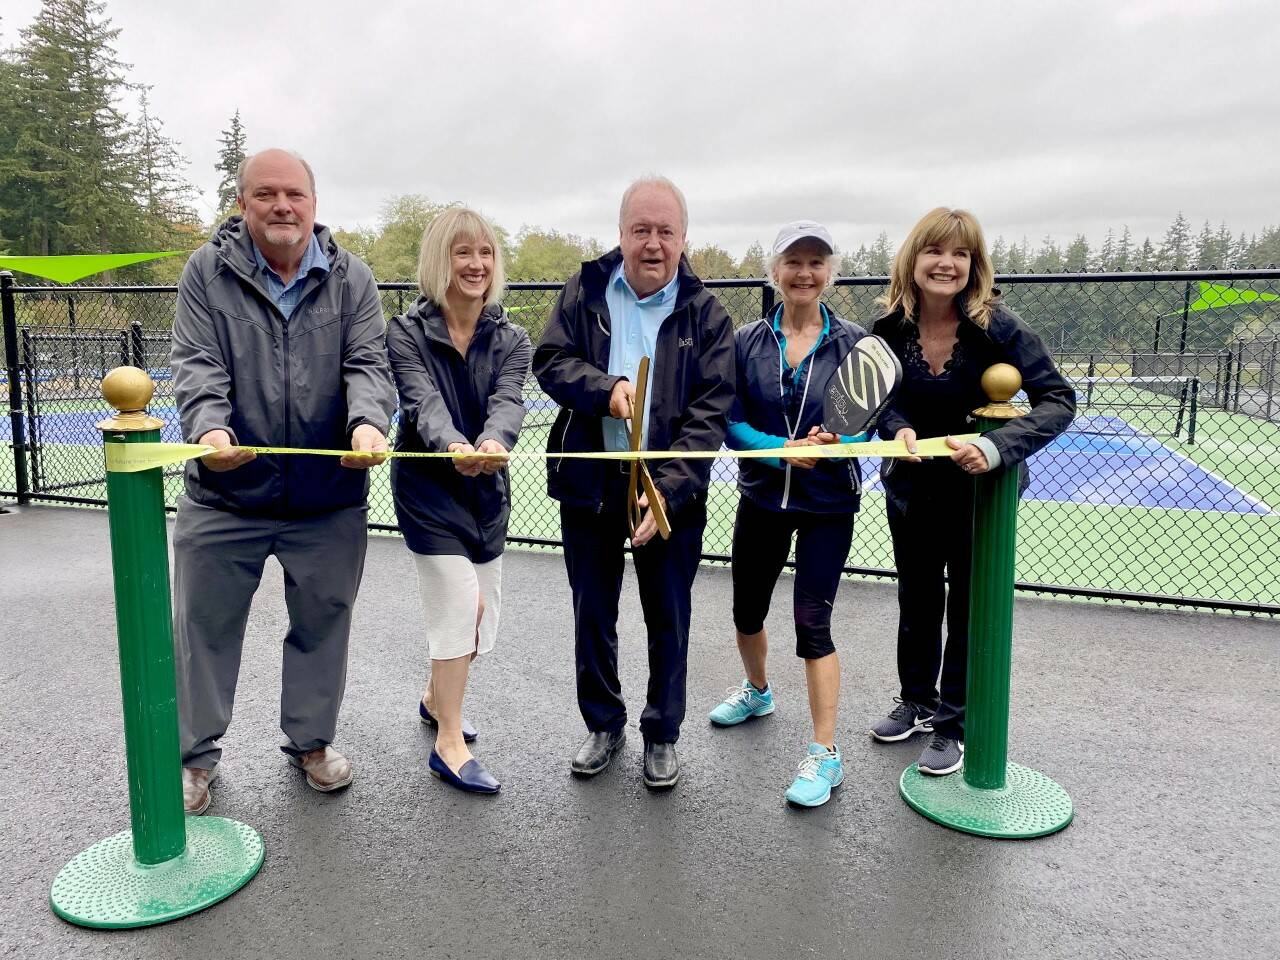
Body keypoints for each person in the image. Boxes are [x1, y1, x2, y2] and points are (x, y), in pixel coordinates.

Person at [170, 148, 396, 815]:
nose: (281, 206)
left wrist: (366, 425)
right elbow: (196, 363)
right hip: (225, 495)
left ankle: (311, 744)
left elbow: (368, 365)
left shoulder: (352, 278)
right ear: (243, 205)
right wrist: (211, 435)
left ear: (314, 203)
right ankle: (193, 758)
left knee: (324, 623)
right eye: (264, 194)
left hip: (328, 500)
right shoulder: (205, 273)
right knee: (204, 629)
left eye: (293, 194)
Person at [533, 176, 735, 789]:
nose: (653, 244)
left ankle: (662, 733)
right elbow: (551, 362)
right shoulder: (586, 288)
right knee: (593, 611)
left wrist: (668, 487)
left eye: (664, 232)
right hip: (593, 479)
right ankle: (603, 723)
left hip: (669, 488)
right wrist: (606, 389)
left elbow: (711, 411)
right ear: (620, 234)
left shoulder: (706, 312)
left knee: (667, 615)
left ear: (683, 238)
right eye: (640, 230)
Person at [868, 207, 1075, 775]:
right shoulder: (888, 329)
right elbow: (882, 402)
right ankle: (916, 700)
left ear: (974, 264)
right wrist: (896, 428)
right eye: (937, 250)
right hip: (911, 490)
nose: (948, 263)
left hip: (980, 496)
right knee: (917, 599)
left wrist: (997, 446)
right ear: (914, 259)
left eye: (961, 253)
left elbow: (1058, 400)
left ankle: (952, 723)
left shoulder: (1000, 328)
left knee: (965, 607)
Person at [706, 220, 871, 808]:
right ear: (774, 272)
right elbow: (727, 420)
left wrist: (836, 445)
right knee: (746, 611)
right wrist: (778, 450)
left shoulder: (855, 343)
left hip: (829, 504)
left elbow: (869, 422)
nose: (805, 273)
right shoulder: (745, 341)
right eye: (793, 262)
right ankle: (758, 691)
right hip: (761, 498)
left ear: (829, 273)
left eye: (816, 263)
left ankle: (825, 754)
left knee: (812, 624)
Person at [387, 207, 531, 794]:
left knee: (480, 619)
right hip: (429, 491)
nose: (475, 264)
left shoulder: (514, 338)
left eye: (485, 253)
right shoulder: (405, 331)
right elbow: (420, 401)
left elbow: (510, 397)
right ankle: (448, 745)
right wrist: (452, 444)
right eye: (460, 252)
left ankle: (433, 697)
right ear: (438, 261)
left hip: (487, 493)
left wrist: (494, 441)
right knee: (458, 607)